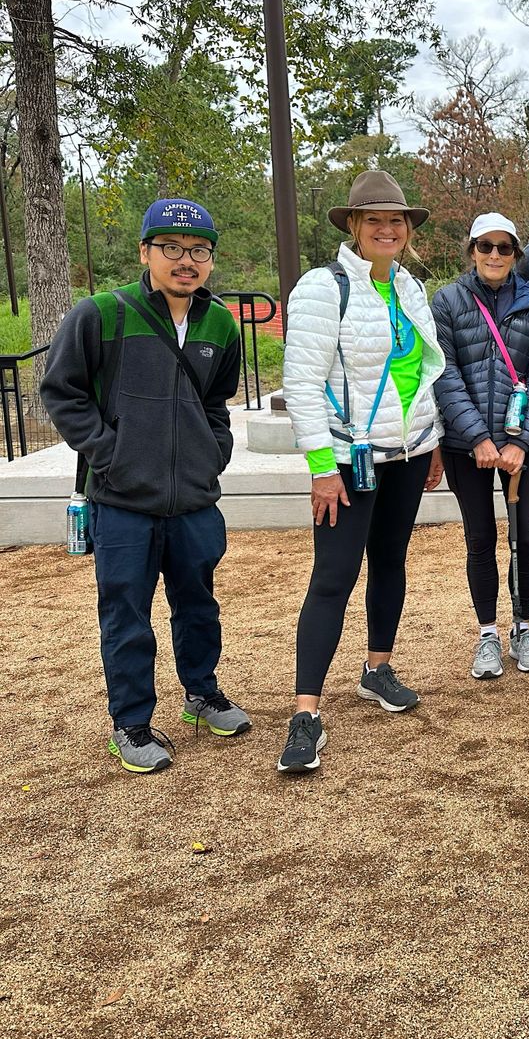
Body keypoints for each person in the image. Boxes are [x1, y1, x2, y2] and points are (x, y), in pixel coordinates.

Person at [41, 198, 248, 774]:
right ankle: (130, 723)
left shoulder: (219, 324)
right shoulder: (102, 314)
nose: (187, 262)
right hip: (123, 501)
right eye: (172, 249)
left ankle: (201, 696)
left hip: (193, 501)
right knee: (126, 612)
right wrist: (109, 452)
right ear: (145, 252)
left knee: (198, 604)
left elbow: (215, 403)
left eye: (199, 252)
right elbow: (62, 391)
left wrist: (214, 454)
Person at [277, 171, 445, 773]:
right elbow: (301, 383)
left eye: (396, 219)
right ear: (353, 225)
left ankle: (378, 668)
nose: (387, 228)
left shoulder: (410, 288)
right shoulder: (323, 289)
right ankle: (306, 713)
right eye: (373, 219)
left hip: (407, 455)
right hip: (350, 458)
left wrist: (434, 442)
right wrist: (323, 468)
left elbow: (422, 374)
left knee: (391, 562)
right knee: (333, 576)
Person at [432, 213, 529, 679]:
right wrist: (478, 437)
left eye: (504, 248)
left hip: (525, 447)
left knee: (526, 537)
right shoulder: (447, 302)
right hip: (468, 447)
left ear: (516, 254)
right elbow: (445, 373)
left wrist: (522, 440)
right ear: (472, 251)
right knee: (480, 539)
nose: (495, 255)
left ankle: (524, 626)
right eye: (486, 246)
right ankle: (487, 633)